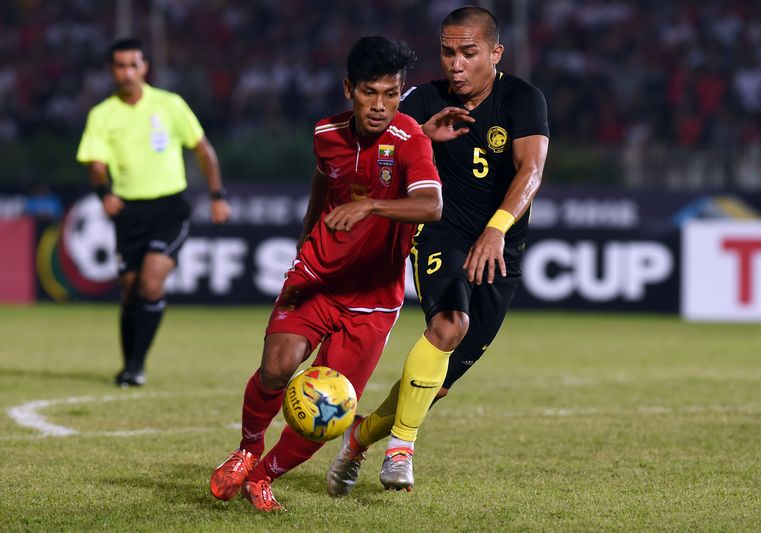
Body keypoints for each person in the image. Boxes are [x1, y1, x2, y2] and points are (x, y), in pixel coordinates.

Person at [208, 36, 442, 512]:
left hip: (373, 299)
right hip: (317, 274)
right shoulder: (325, 133)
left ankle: (264, 476)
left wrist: (372, 205)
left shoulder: (410, 139)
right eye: (369, 93)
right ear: (348, 89)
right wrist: (307, 229)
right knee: (277, 366)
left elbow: (432, 205)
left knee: (328, 407)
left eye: (391, 94)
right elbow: (323, 176)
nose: (380, 106)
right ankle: (248, 450)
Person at [327, 6, 550, 495]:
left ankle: (358, 439)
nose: (455, 63)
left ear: (495, 53)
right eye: (448, 52)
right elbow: (371, 155)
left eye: (468, 53)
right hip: (439, 231)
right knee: (448, 325)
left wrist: (496, 230)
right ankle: (401, 453)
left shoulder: (523, 99)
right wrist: (420, 135)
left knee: (437, 383)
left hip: (500, 247)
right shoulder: (421, 99)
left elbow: (529, 171)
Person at [76, 38, 231, 387]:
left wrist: (217, 195)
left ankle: (136, 366)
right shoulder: (102, 114)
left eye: (133, 64)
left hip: (169, 207)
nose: (127, 72)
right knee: (130, 289)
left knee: (150, 281)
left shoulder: (170, 105)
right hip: (128, 210)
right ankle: (129, 362)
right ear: (111, 70)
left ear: (145, 67)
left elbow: (203, 150)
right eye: (120, 65)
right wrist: (103, 191)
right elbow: (96, 163)